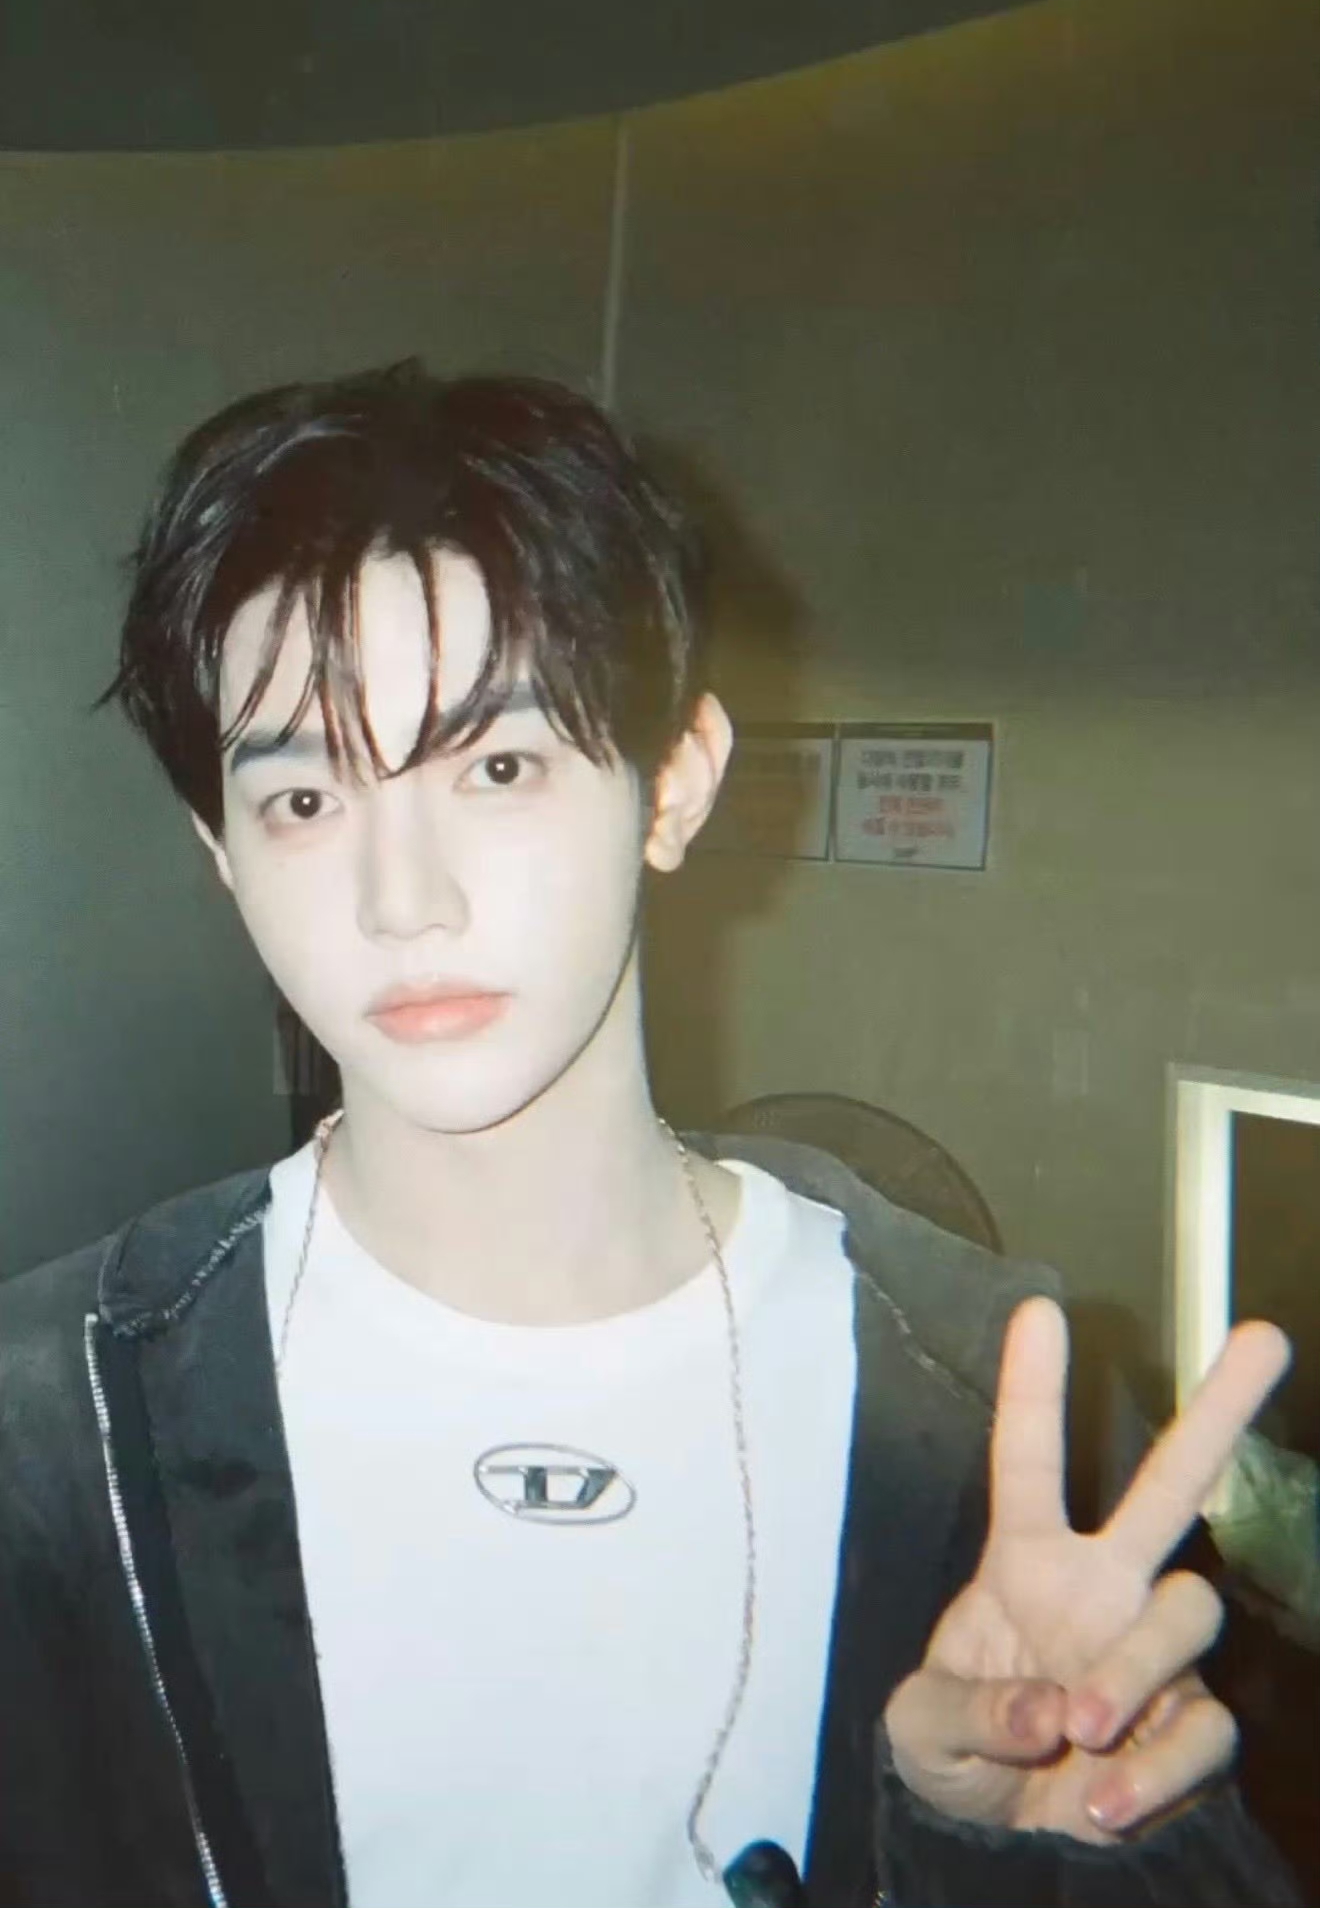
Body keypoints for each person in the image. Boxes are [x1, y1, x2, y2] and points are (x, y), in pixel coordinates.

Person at [0, 361, 1305, 1908]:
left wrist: (1039, 1853)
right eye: (304, 802)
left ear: (674, 785)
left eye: (498, 767)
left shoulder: (983, 1395)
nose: (402, 900)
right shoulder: (59, 1424)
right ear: (223, 850)